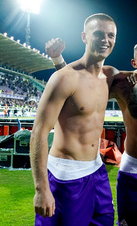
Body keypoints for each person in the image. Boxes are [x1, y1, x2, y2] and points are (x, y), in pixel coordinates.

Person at [50, 37, 137, 226]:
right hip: (131, 174)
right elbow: (78, 83)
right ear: (134, 62)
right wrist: (58, 59)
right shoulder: (122, 83)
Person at [30, 13, 118, 225]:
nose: (105, 40)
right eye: (98, 34)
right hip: (66, 177)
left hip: (97, 171)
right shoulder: (63, 78)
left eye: (111, 35)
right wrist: (42, 189)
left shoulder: (110, 76)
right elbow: (38, 133)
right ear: (84, 37)